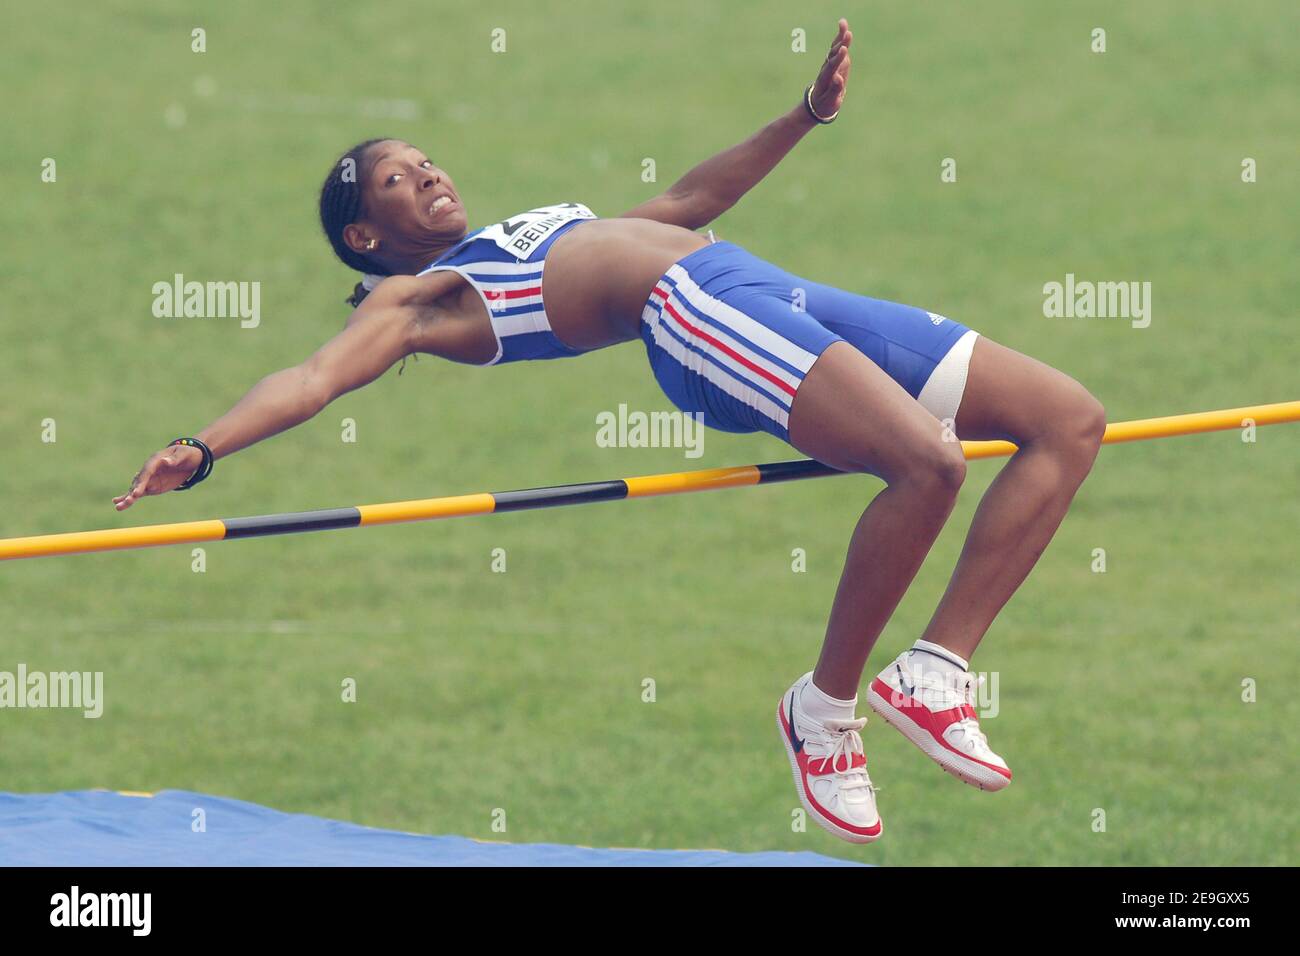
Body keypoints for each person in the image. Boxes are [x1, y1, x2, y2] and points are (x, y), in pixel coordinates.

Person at [116, 19, 1105, 844]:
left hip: (751, 281)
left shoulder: (512, 239)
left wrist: (801, 118)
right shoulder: (412, 300)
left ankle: (935, 666)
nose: (423, 171)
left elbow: (685, 202)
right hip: (690, 316)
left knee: (1065, 419)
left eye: (421, 159)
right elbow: (311, 377)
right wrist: (204, 446)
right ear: (365, 236)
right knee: (926, 464)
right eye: (392, 180)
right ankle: (826, 709)